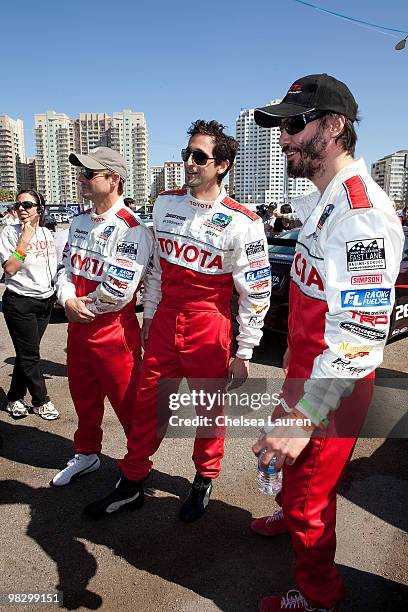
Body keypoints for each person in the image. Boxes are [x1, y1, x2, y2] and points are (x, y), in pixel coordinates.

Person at [251, 73, 404, 611]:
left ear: (334, 126)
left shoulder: (361, 212)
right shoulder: (324, 198)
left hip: (333, 387)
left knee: (311, 502)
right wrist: (293, 352)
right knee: (290, 473)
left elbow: (360, 336)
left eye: (294, 124)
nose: (283, 137)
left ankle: (320, 596)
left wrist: (304, 413)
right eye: (282, 126)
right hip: (308, 368)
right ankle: (289, 511)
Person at [84, 120, 271, 521]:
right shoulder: (165, 203)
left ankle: (204, 477)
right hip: (167, 319)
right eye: (187, 153)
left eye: (199, 156)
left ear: (221, 165)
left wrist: (245, 349)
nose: (189, 162)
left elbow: (255, 292)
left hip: (211, 323)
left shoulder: (244, 221)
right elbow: (154, 269)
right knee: (148, 404)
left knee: (208, 408)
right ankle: (132, 481)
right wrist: (150, 314)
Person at [52, 147, 152, 486]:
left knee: (129, 407)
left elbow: (119, 290)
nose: (81, 178)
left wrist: (80, 306)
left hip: (113, 332)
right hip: (77, 327)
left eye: (89, 174)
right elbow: (64, 270)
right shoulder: (78, 222)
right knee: (84, 398)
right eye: (81, 172)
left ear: (114, 179)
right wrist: (67, 298)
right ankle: (86, 454)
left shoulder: (131, 228)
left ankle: (137, 468)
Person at [0, 189, 59, 420]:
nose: (21, 209)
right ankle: (40, 400)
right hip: (19, 301)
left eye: (27, 205)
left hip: (44, 301)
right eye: (18, 206)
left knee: (27, 353)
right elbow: (10, 268)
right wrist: (25, 238)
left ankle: (14, 397)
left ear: (39, 208)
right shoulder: (9, 233)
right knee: (30, 355)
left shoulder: (47, 233)